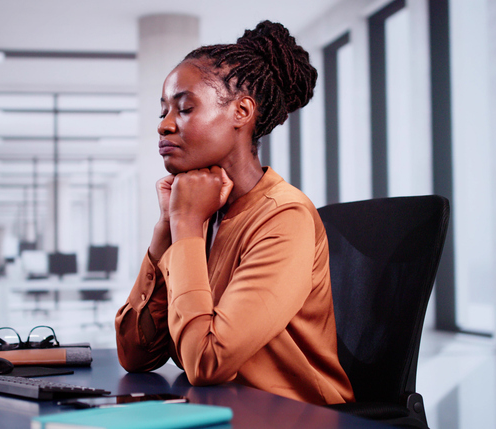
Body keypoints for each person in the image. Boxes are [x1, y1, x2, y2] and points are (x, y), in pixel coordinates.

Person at [114, 20, 354, 405]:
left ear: (242, 111)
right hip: (219, 409)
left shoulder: (283, 216)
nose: (164, 125)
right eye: (162, 112)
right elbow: (136, 355)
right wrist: (166, 230)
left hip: (292, 415)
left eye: (185, 108)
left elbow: (206, 363)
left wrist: (186, 225)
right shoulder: (204, 212)